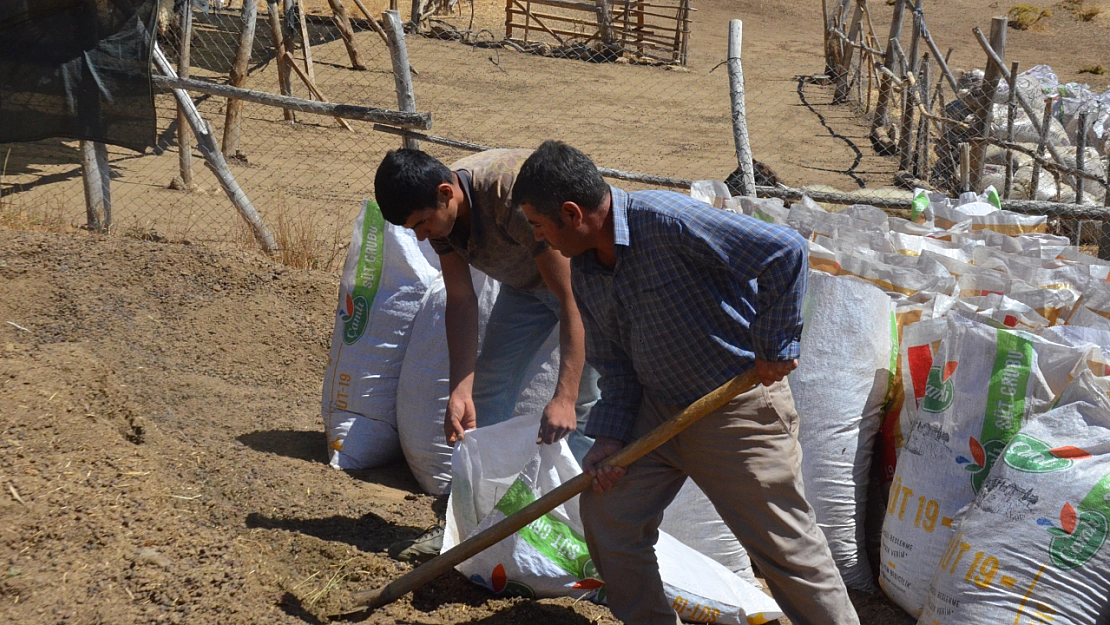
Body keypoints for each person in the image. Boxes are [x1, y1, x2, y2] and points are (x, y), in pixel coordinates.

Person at [512, 140, 860, 625]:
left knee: (786, 552)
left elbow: (784, 251)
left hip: (735, 410)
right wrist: (610, 436)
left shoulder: (669, 221)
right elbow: (615, 364)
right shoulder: (587, 270)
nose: (540, 240)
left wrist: (774, 343)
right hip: (657, 413)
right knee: (610, 516)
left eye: (538, 225)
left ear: (571, 214)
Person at [374, 148, 600, 561]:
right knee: (489, 388)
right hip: (527, 289)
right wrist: (460, 390)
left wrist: (564, 397)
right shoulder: (442, 218)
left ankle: (584, 531)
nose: (422, 236)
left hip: (587, 289)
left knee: (585, 408)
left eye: (422, 223)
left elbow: (572, 302)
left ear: (446, 192)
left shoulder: (508, 196)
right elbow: (460, 301)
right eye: (414, 229)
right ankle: (475, 520)